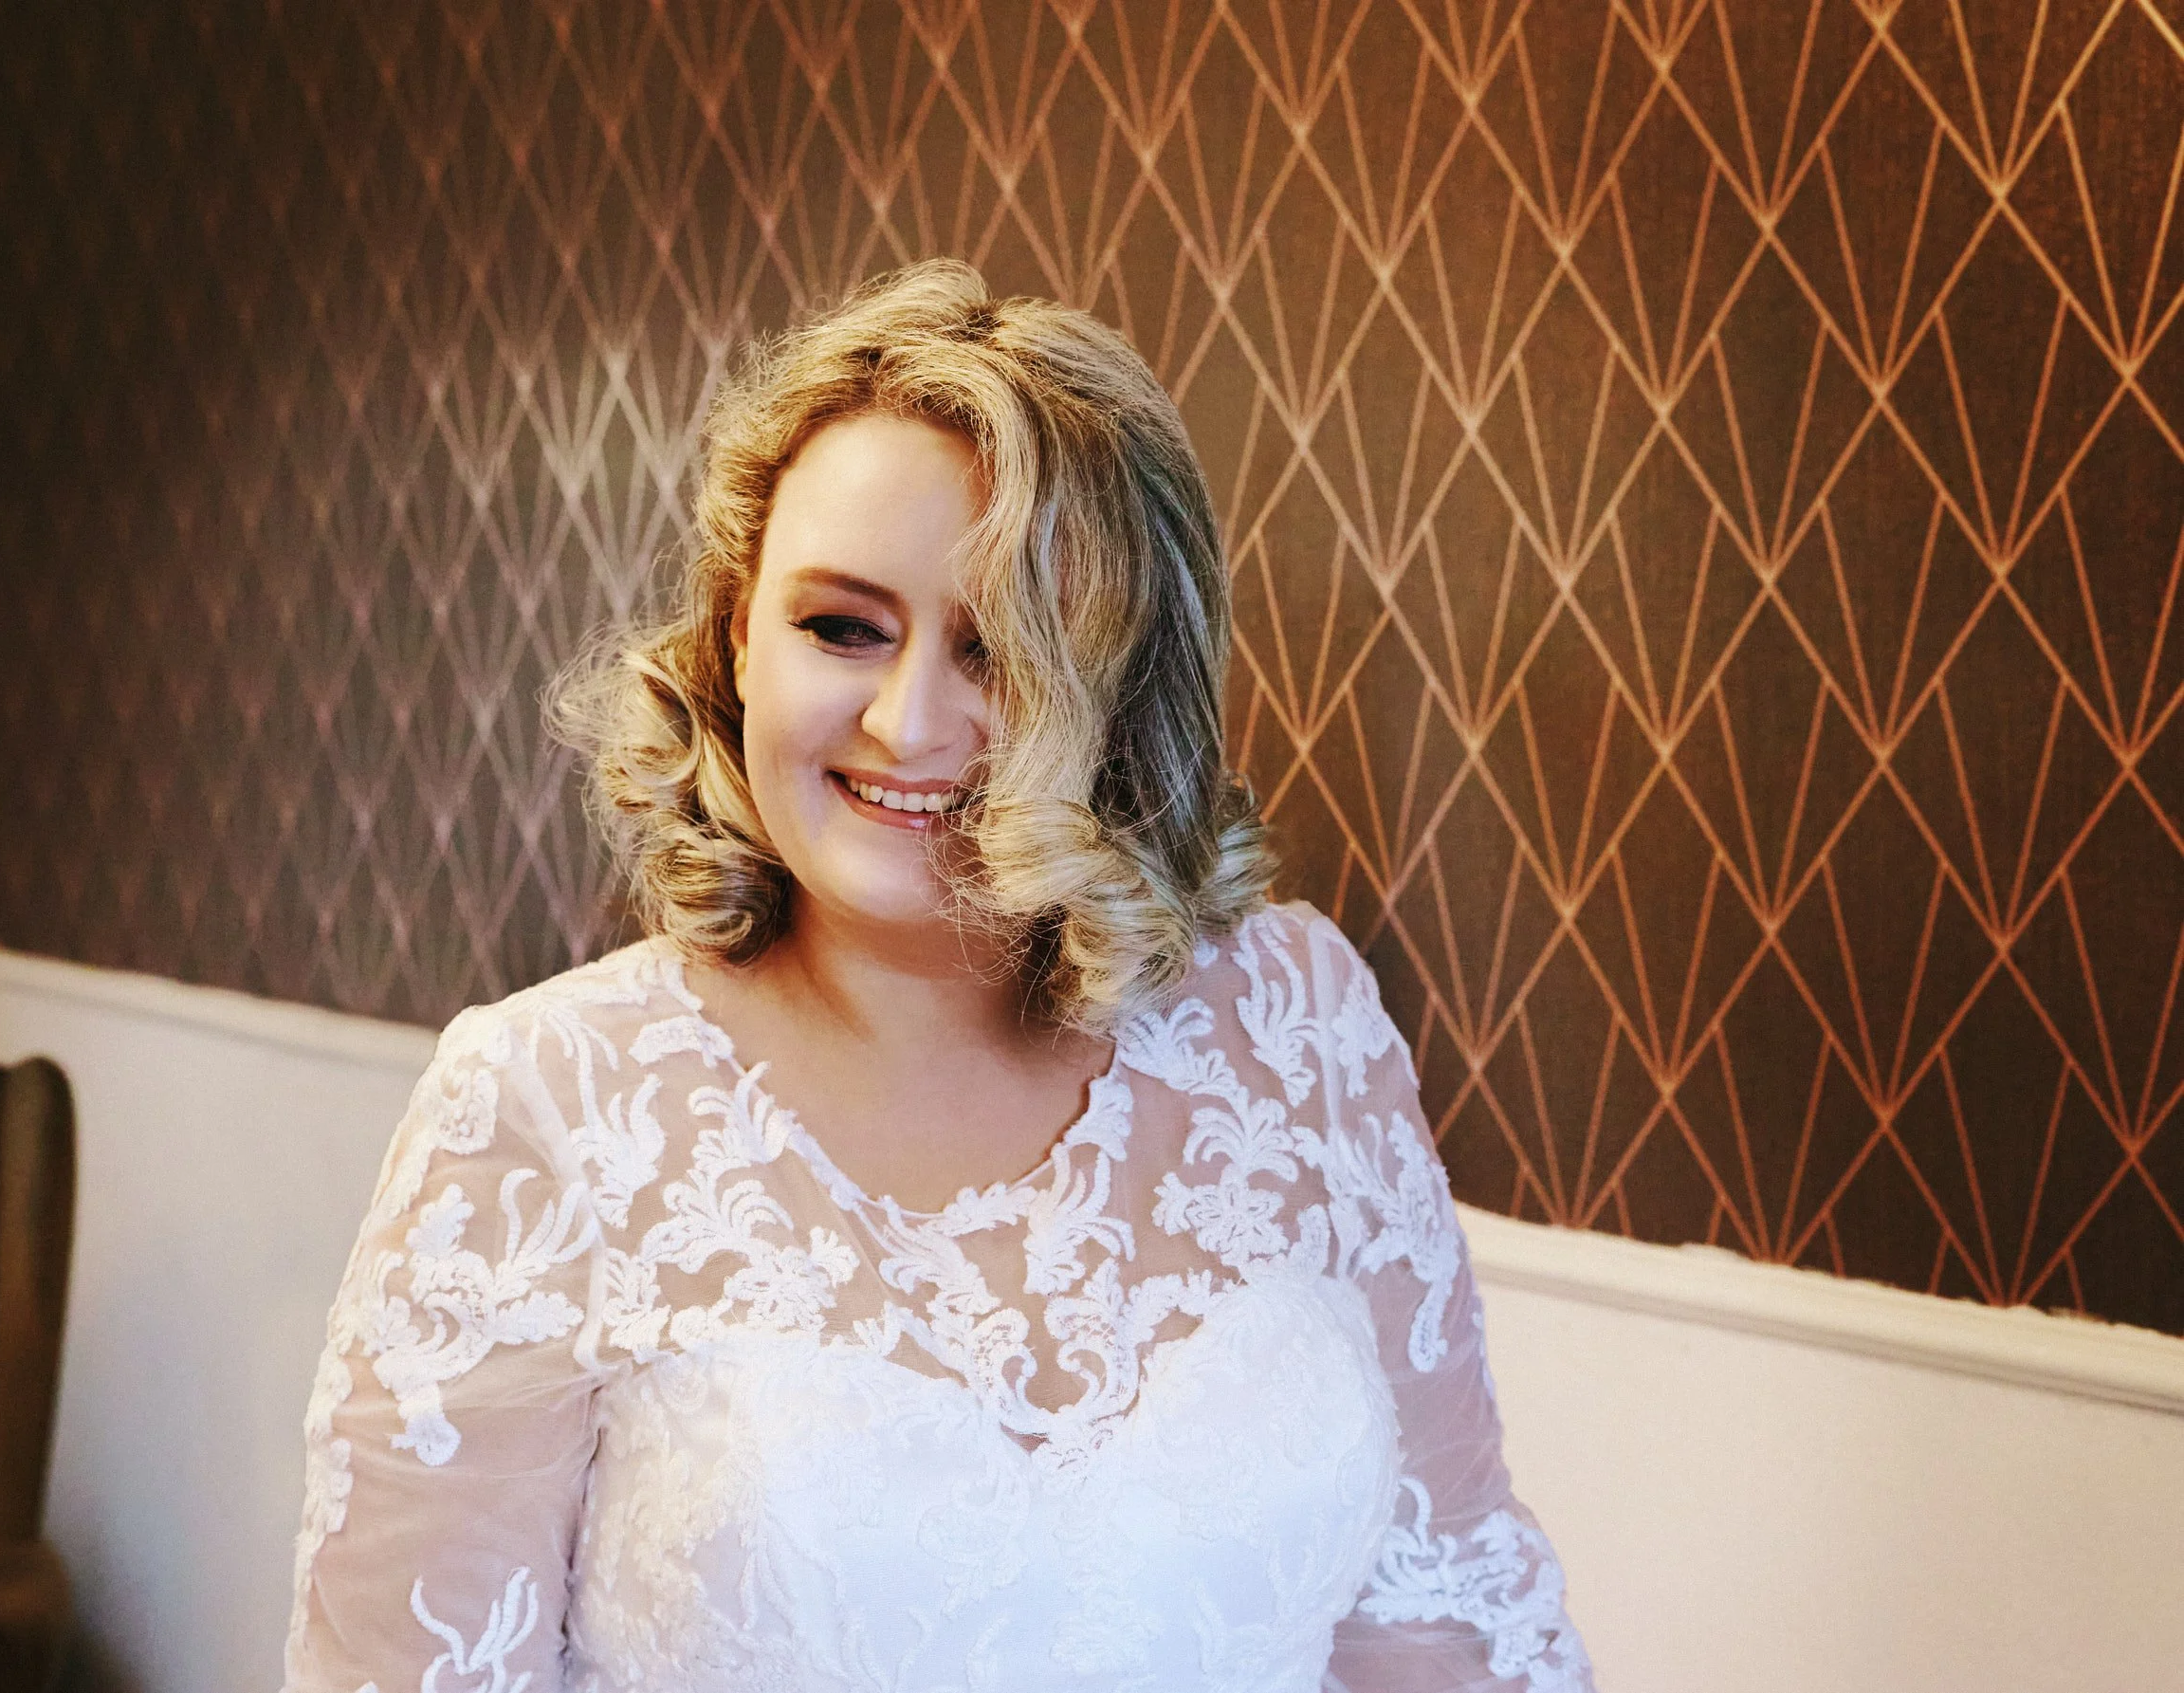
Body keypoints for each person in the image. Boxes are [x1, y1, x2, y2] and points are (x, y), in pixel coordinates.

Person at [281, 259, 1594, 1692]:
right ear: (736, 638)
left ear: (1120, 686)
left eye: (1001, 648)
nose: (909, 724)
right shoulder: (546, 1106)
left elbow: (1452, 1624)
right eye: (842, 626)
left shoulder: (1302, 1026)